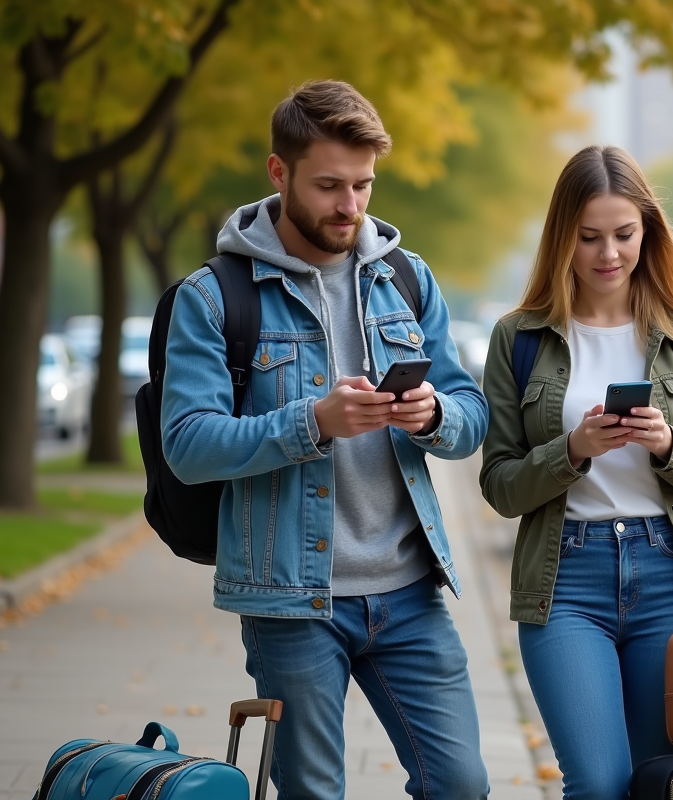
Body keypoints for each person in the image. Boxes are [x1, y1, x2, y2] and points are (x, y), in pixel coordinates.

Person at [161, 80, 490, 800]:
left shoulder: (406, 278)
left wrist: (435, 416)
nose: (350, 206)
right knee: (314, 795)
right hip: (291, 601)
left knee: (462, 785)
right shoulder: (214, 297)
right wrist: (311, 423)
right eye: (330, 186)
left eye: (364, 185)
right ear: (279, 174)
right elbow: (187, 444)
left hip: (409, 591)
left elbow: (473, 413)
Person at [478, 145, 673, 800]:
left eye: (624, 235)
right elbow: (499, 486)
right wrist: (572, 449)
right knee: (599, 784)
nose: (608, 254)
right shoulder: (519, 337)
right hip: (564, 581)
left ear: (647, 232)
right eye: (589, 237)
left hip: (670, 576)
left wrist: (668, 446)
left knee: (662, 782)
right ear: (562, 238)